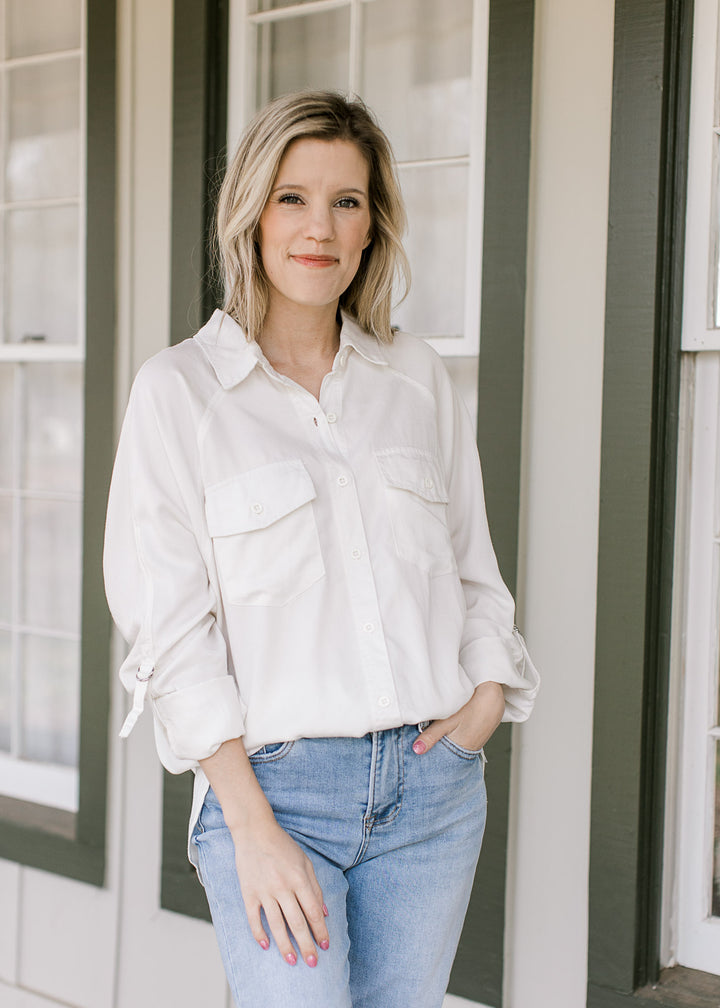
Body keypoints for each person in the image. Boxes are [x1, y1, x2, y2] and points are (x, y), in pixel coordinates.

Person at [103, 90, 539, 1008]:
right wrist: (251, 827)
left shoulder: (415, 379)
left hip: (432, 793)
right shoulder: (180, 393)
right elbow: (170, 631)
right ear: (251, 214)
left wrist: (485, 700)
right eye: (292, 198)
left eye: (347, 201)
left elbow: (473, 569)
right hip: (276, 797)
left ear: (373, 225)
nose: (320, 228)